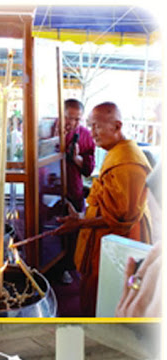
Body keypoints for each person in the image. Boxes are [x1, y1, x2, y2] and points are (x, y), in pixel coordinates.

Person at [56, 102, 152, 316]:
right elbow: (108, 204)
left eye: (96, 127)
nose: (92, 133)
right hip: (103, 238)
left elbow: (121, 217)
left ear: (117, 126)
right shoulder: (116, 152)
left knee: (106, 298)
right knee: (92, 294)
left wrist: (80, 223)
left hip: (118, 245)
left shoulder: (129, 164)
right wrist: (82, 216)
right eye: (90, 126)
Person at [59, 99, 96, 284]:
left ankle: (67, 266)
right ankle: (47, 265)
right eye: (68, 117)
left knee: (73, 230)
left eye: (77, 119)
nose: (71, 123)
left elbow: (89, 168)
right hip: (49, 186)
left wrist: (76, 158)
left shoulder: (85, 135)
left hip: (73, 187)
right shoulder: (49, 130)